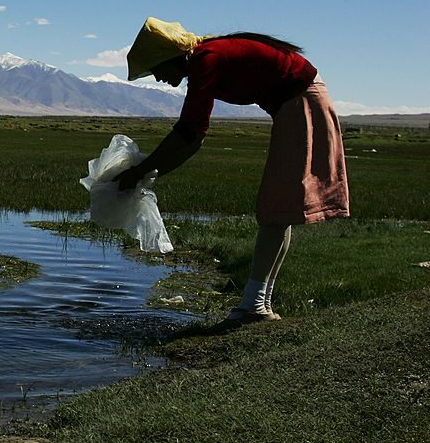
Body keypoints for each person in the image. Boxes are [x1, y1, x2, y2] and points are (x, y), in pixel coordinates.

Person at [114, 17, 350, 331]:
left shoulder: (206, 59)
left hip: (301, 103)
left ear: (171, 58)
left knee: (276, 209)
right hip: (298, 102)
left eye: (156, 68)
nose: (157, 77)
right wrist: (147, 172)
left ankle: (254, 306)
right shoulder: (207, 55)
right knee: (279, 210)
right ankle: (258, 304)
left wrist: (140, 172)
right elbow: (191, 136)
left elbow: (190, 133)